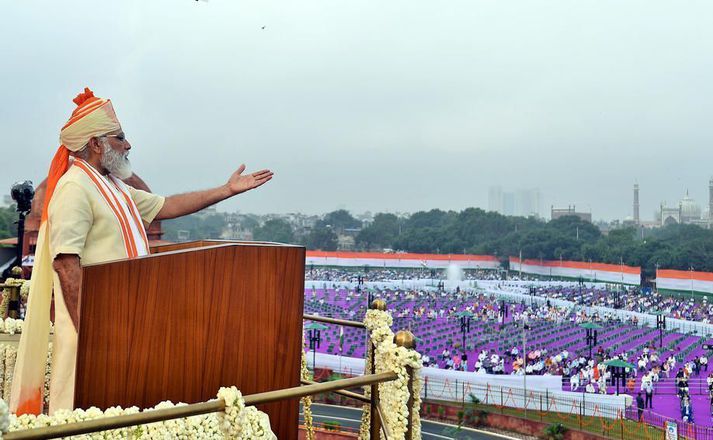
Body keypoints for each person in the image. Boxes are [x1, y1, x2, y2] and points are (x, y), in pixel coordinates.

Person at [10, 88, 274, 415]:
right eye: (120, 138)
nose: (128, 145)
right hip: (97, 330)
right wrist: (90, 330)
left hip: (126, 321)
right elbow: (66, 264)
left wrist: (226, 190)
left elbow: (167, 205)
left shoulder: (114, 187)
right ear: (96, 143)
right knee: (87, 415)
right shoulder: (75, 187)